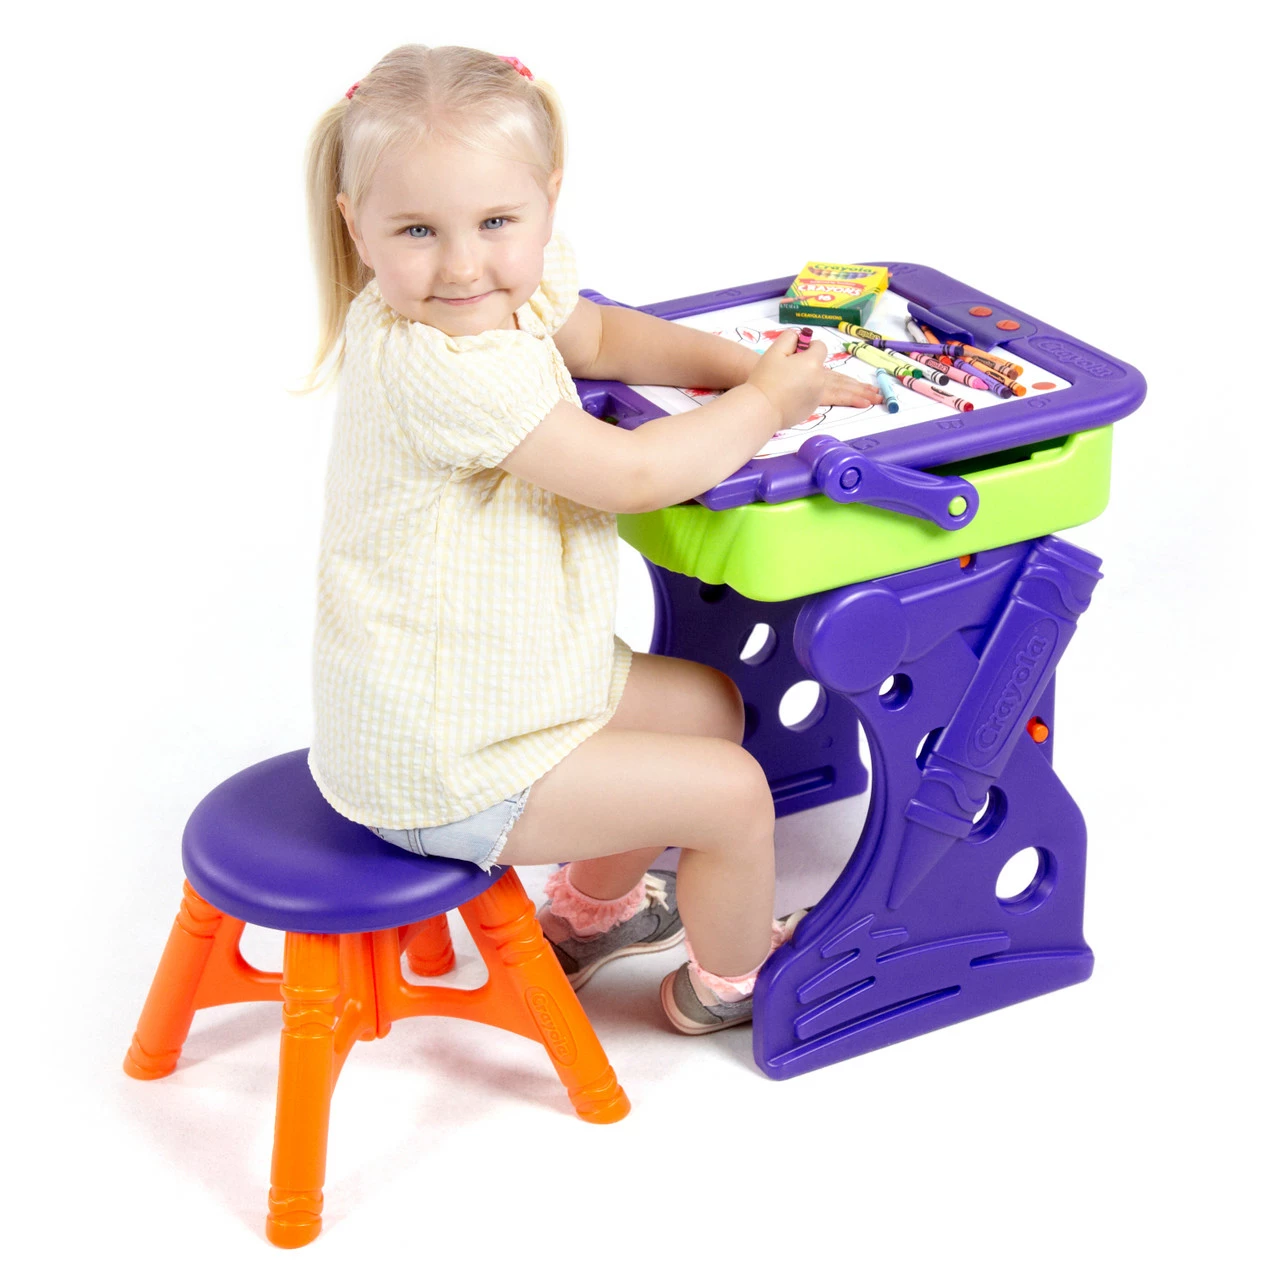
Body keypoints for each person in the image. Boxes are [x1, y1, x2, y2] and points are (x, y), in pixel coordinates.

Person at [301, 44, 881, 1034]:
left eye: (495, 222)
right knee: (733, 795)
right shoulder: (443, 363)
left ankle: (588, 914)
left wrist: (749, 371)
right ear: (357, 225)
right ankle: (729, 984)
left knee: (708, 707)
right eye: (417, 230)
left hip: (502, 689)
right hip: (445, 760)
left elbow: (605, 338)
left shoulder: (498, 297)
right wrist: (767, 406)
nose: (462, 263)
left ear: (547, 199)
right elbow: (637, 474)